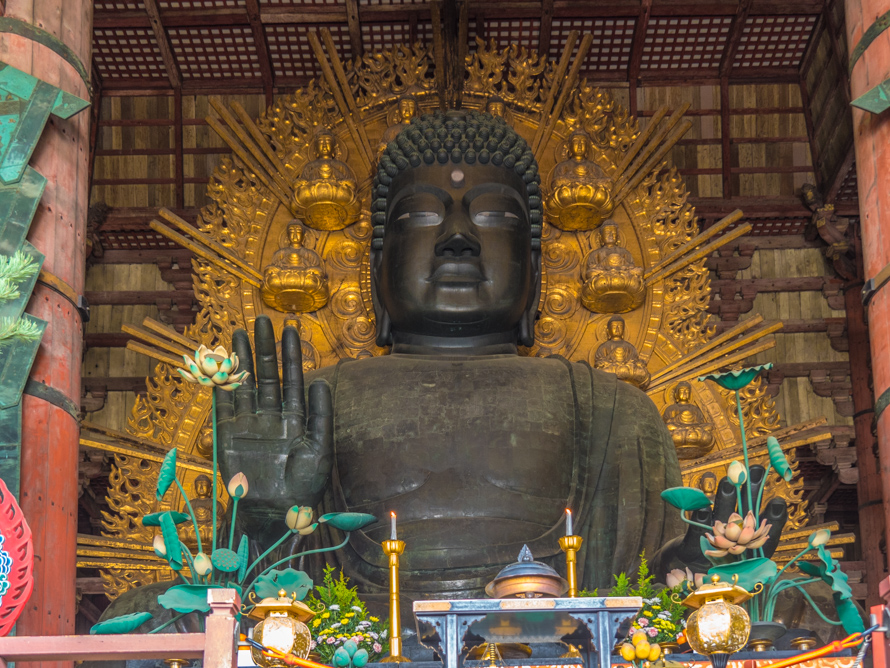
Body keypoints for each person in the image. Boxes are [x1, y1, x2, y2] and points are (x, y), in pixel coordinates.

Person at [218, 111, 682, 600]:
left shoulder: (613, 411)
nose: (457, 237)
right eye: (420, 216)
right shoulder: (312, 405)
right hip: (349, 647)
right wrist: (264, 518)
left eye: (495, 217)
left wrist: (702, 562)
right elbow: (257, 603)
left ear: (536, 268)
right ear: (377, 267)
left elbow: (654, 588)